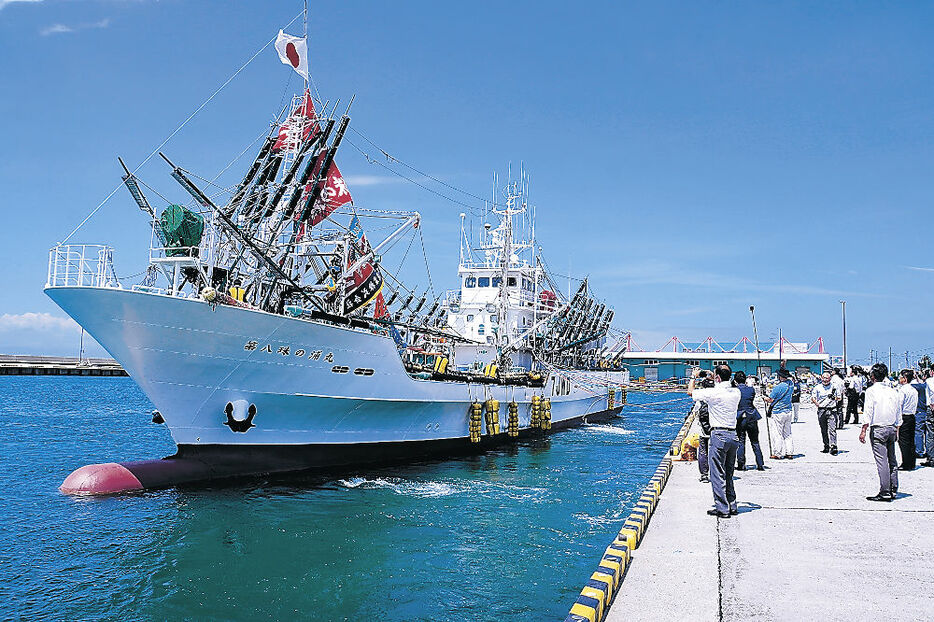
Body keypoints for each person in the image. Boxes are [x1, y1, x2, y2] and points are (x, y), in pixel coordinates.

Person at [688, 364, 741, 518]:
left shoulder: (713, 392)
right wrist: (717, 376)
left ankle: (722, 508)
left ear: (717, 378)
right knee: (729, 472)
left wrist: (694, 376)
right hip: (733, 435)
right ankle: (732, 505)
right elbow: (731, 383)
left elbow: (690, 392)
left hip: (718, 435)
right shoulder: (736, 392)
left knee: (717, 474)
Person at [860, 363, 902, 501]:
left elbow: (868, 412)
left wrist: (863, 430)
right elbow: (898, 413)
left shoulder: (871, 391)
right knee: (892, 460)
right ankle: (893, 488)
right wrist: (897, 429)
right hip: (891, 428)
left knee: (882, 461)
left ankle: (884, 491)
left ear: (872, 376)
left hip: (878, 429)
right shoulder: (893, 391)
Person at [734, 371, 764, 471]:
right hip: (751, 416)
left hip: (740, 417)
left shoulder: (735, 391)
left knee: (741, 441)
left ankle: (741, 464)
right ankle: (760, 464)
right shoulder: (751, 390)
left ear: (735, 380)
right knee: (755, 441)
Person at [764, 369, 795, 459]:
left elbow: (770, 399)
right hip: (788, 410)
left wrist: (764, 397)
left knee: (777, 433)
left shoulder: (778, 387)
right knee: (787, 433)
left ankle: (778, 452)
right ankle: (789, 452)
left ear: (780, 377)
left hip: (778, 411)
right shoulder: (790, 384)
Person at [692, 371, 715, 483]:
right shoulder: (717, 395)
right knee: (716, 451)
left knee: (703, 451)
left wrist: (693, 376)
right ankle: (717, 474)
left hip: (704, 429)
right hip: (716, 428)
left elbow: (696, 410)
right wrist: (712, 374)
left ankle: (704, 475)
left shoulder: (701, 398)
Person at [812, 371, 840, 455]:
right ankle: (826, 445)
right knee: (823, 429)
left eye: (827, 378)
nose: (825, 380)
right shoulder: (817, 387)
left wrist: (834, 398)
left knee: (832, 429)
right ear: (821, 378)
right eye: (823, 378)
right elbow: (813, 397)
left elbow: (839, 398)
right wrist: (816, 403)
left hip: (831, 410)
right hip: (821, 410)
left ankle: (833, 446)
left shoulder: (834, 387)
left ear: (830, 379)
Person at [897, 369, 919, 470]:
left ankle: (906, 463)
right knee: (911, 440)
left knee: (903, 441)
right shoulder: (914, 390)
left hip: (904, 416)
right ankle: (912, 462)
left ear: (905, 379)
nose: (899, 379)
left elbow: (899, 405)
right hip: (912, 416)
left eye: (901, 377)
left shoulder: (903, 390)